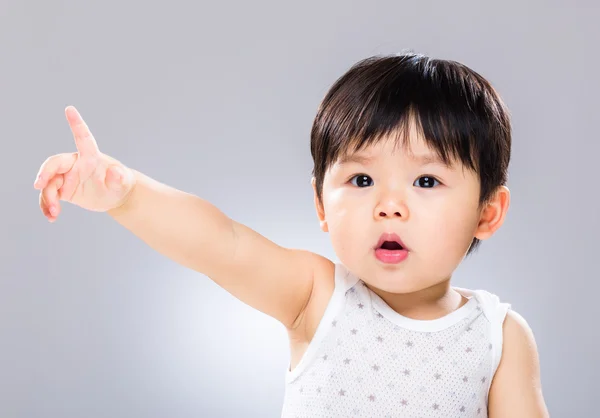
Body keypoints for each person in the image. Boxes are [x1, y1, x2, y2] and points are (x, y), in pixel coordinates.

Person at [33, 52, 548, 417]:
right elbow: (221, 244)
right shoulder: (317, 296)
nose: (389, 207)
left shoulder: (497, 335)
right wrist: (128, 196)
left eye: (427, 181)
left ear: (487, 212)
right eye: (362, 180)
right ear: (322, 203)